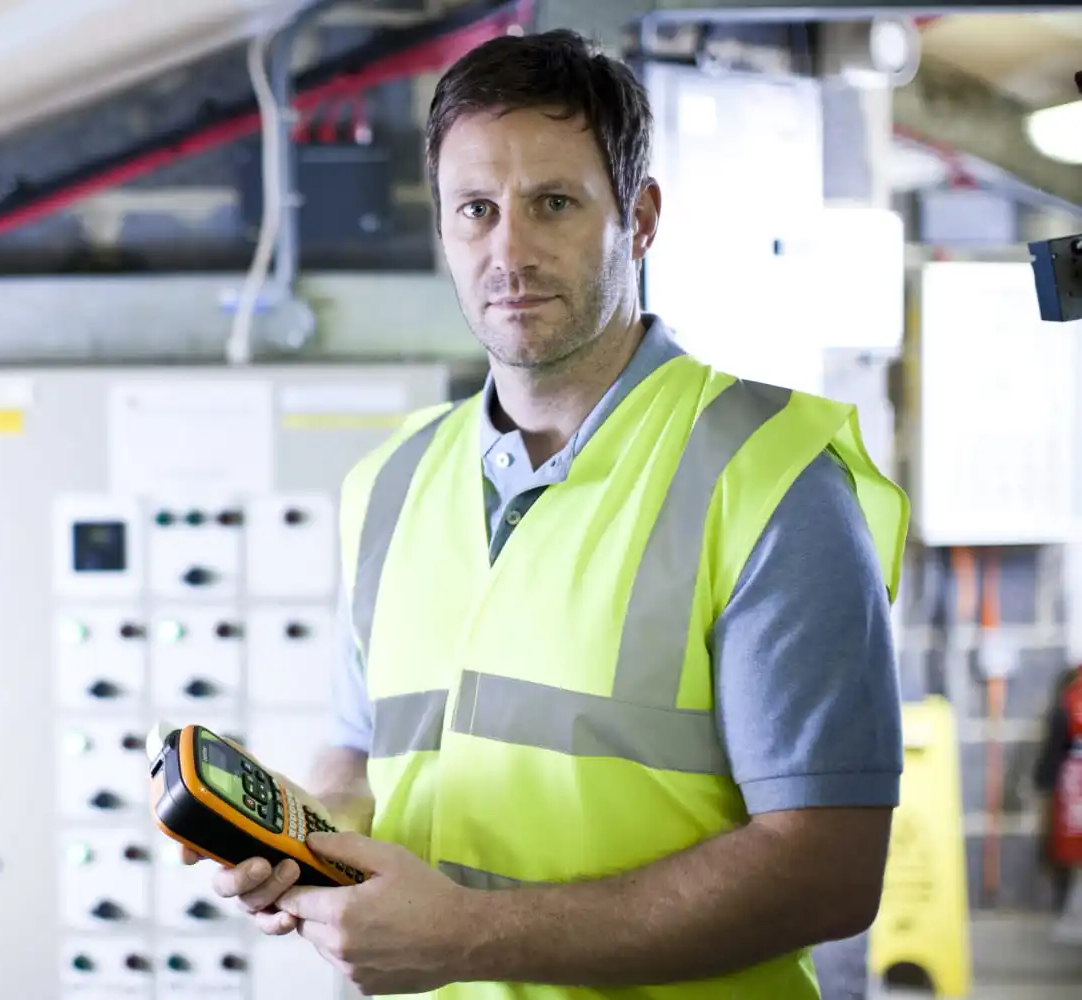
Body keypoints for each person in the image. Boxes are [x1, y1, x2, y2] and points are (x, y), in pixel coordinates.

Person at [181, 27, 910, 999]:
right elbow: (359, 752)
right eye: (475, 210)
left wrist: (472, 937)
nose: (508, 250)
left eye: (553, 203)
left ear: (639, 219)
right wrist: (306, 842)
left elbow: (829, 869)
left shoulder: (771, 480)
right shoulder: (390, 484)